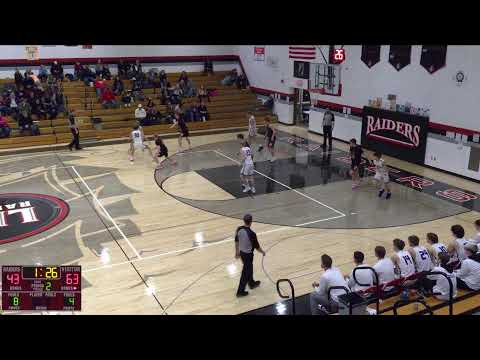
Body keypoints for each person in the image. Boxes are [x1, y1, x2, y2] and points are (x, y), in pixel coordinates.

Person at [235, 214, 266, 297]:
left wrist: (237, 252)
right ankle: (240, 292)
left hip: (242, 253)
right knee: (245, 273)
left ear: (244, 220)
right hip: (248, 255)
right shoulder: (252, 234)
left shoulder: (239, 229)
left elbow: (236, 241)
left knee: (249, 268)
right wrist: (263, 252)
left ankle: (251, 283)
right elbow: (257, 247)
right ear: (251, 221)